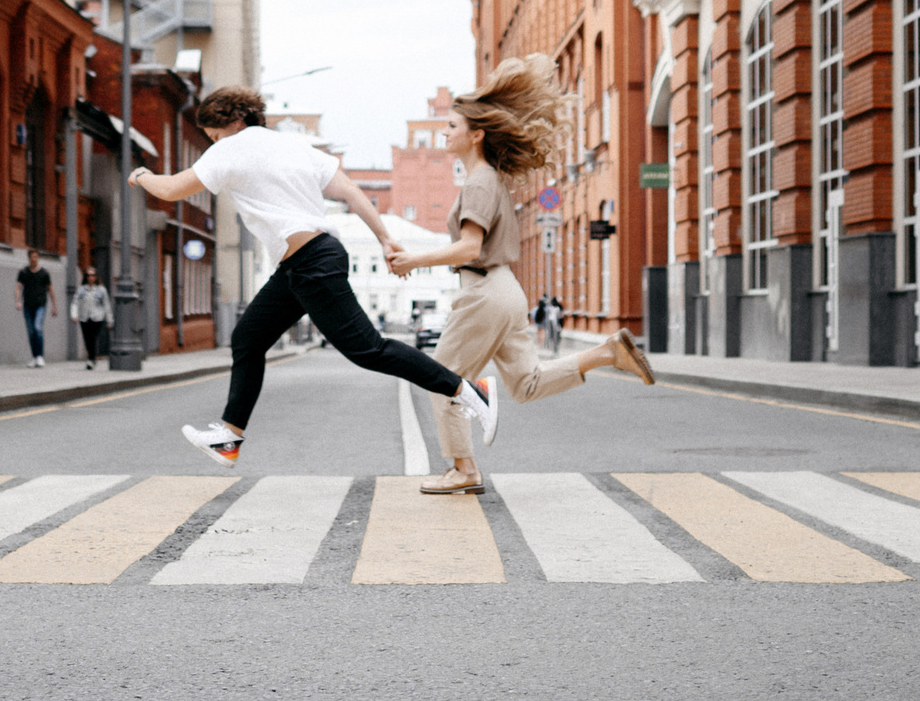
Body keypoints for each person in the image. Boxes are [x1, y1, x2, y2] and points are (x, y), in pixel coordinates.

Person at [133, 85, 498, 468]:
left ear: (233, 121)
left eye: (213, 134)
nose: (214, 142)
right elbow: (353, 193)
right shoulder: (294, 147)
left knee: (368, 349)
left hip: (312, 264)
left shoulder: (230, 147)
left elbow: (172, 188)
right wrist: (385, 239)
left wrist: (141, 175)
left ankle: (468, 391)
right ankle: (229, 437)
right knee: (248, 338)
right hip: (302, 264)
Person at [386, 56, 654, 495]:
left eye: (452, 126)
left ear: (476, 135)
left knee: (441, 379)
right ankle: (606, 352)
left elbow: (471, 248)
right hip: (505, 290)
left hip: (485, 291)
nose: (444, 132)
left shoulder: (478, 183)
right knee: (526, 385)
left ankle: (463, 468)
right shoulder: (489, 179)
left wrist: (414, 261)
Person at [15, 249, 53, 368]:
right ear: (29, 258)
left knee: (38, 328)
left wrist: (55, 306)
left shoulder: (44, 273)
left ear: (38, 258)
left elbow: (51, 290)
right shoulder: (24, 272)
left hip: (40, 305)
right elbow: (18, 287)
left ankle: (40, 356)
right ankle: (34, 357)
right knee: (31, 332)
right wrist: (18, 301)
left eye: (36, 257)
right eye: (32, 257)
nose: (34, 259)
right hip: (28, 305)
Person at [71, 269, 111, 369]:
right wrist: (74, 315)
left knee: (93, 338)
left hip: (97, 318)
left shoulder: (101, 290)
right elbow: (75, 302)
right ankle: (91, 358)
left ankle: (91, 359)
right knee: (87, 339)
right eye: (88, 275)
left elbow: (107, 305)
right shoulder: (81, 289)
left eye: (93, 275)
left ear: (96, 277)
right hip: (84, 317)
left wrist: (110, 320)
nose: (90, 277)